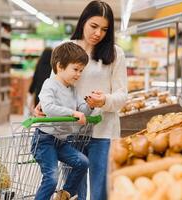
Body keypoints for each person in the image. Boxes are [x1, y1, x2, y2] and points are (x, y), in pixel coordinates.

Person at [34, 1, 128, 200]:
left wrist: (104, 100)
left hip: (103, 131)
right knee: (75, 192)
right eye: (94, 26)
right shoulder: (67, 49)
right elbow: (54, 84)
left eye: (104, 29)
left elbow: (122, 96)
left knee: (100, 191)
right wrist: (42, 105)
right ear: (83, 21)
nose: (98, 33)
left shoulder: (115, 53)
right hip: (70, 131)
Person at [31, 42, 91, 200]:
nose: (79, 74)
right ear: (60, 66)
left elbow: (82, 109)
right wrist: (73, 113)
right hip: (44, 140)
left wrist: (90, 105)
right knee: (51, 178)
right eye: (75, 69)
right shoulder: (49, 85)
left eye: (81, 71)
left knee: (83, 162)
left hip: (62, 141)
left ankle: (65, 194)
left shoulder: (73, 89)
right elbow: (49, 108)